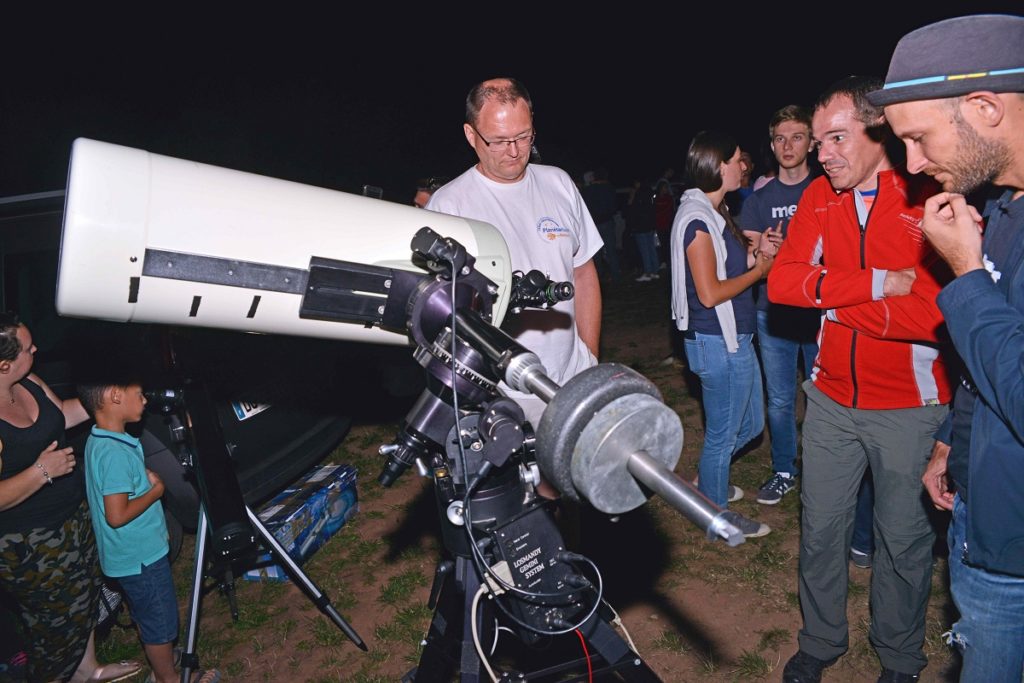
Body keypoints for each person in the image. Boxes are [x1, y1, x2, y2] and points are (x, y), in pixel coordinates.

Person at [769, 76, 954, 683]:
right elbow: (782, 285)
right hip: (828, 400)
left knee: (902, 543)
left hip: (910, 407)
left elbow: (933, 316)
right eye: (819, 141)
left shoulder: (927, 194)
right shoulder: (820, 198)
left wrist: (832, 302)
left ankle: (899, 658)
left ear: (878, 132)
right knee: (821, 528)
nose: (823, 154)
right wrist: (878, 284)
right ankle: (820, 640)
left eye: (836, 138)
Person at [867, 14, 1024, 682]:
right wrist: (950, 443)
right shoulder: (1008, 208)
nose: (913, 164)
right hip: (983, 518)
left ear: (985, 108)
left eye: (918, 137)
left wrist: (965, 274)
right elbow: (990, 362)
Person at [425, 77, 602, 429]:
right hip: (504, 391)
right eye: (499, 140)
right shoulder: (448, 205)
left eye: (524, 136)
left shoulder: (559, 183)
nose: (514, 151)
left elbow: (583, 272)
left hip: (573, 375)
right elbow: (442, 312)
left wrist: (590, 357)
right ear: (471, 135)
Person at [0, 313, 141, 682]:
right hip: (28, 541)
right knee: (55, 619)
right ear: (3, 364)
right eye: (28, 349)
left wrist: (107, 399)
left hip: (72, 513)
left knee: (88, 591)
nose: (36, 350)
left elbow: (61, 414)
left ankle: (87, 669)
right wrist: (41, 471)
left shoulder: (27, 380)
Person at [671, 130, 780, 538]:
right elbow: (711, 291)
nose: (743, 166)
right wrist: (759, 273)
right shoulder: (697, 221)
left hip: (735, 338)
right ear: (718, 165)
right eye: (737, 160)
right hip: (716, 342)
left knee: (751, 425)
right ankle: (716, 517)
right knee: (722, 435)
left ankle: (706, 479)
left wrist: (758, 252)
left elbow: (728, 268)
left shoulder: (717, 214)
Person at [78, 378, 221, 683]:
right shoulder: (114, 452)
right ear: (116, 396)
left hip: (128, 555)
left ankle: (163, 660)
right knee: (159, 621)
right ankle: (167, 677)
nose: (144, 400)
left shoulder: (101, 440)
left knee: (147, 615)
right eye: (139, 394)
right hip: (139, 558)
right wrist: (156, 492)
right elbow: (116, 516)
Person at [738, 104, 821, 506]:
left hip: (822, 313)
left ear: (811, 142)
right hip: (772, 314)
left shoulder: (827, 190)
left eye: (797, 137)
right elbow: (755, 260)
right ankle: (784, 469)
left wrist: (784, 254)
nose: (788, 145)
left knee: (825, 395)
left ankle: (824, 470)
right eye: (780, 138)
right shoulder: (758, 198)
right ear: (772, 145)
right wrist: (766, 255)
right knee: (781, 399)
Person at [581, 167, 622, 282]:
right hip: (607, 222)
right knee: (611, 250)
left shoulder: (588, 190)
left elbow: (585, 208)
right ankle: (616, 275)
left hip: (594, 224)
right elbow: (614, 206)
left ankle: (598, 276)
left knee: (596, 252)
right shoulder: (608, 189)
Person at [625, 179, 660, 282]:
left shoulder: (638, 193)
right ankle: (655, 271)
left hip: (640, 226)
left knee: (644, 250)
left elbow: (631, 209)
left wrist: (631, 197)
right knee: (651, 248)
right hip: (650, 225)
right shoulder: (650, 192)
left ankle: (648, 272)